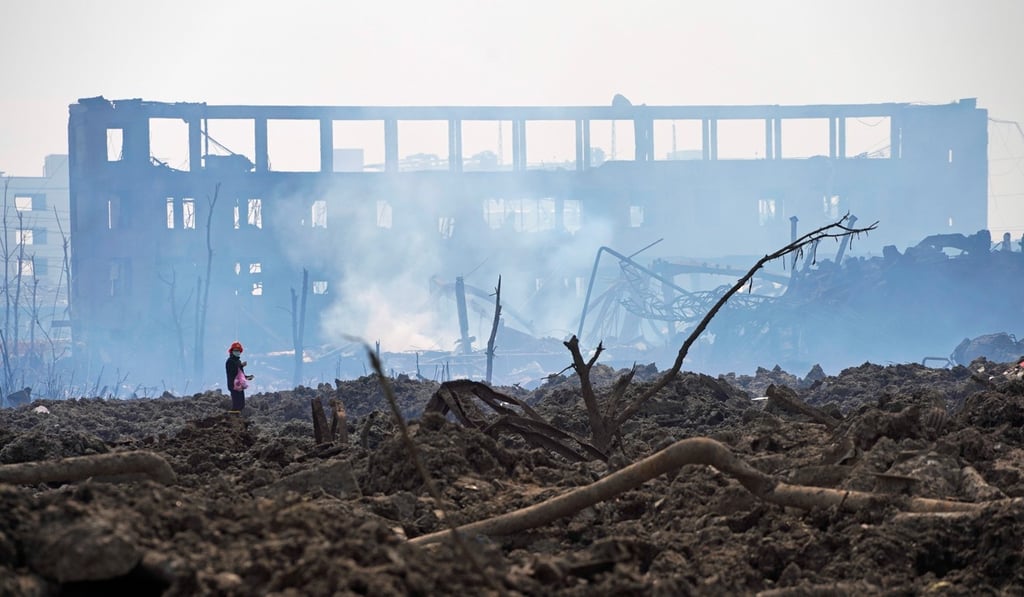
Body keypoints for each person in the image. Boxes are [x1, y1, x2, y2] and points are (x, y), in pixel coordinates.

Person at [225, 341, 254, 412]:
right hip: (233, 385)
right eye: (235, 350)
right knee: (236, 404)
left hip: (240, 386)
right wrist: (241, 365)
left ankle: (237, 419)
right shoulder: (230, 361)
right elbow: (233, 372)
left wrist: (247, 377)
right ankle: (232, 418)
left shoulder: (238, 361)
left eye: (238, 350)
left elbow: (240, 374)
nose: (237, 352)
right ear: (232, 351)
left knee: (241, 404)